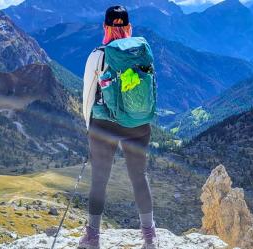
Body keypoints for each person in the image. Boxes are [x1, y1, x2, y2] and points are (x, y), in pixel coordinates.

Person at [79, 5, 158, 249]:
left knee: (100, 178)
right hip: (138, 123)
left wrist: (90, 126)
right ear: (129, 27)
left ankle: (93, 237)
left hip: (105, 125)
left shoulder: (98, 55)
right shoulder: (141, 51)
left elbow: (88, 95)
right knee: (139, 177)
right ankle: (149, 237)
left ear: (105, 27)